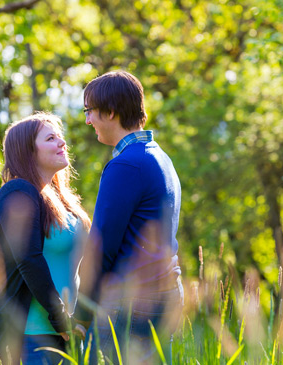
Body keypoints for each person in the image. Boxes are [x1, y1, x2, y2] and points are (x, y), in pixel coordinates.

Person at [76, 70, 183, 361]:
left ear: (110, 112)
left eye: (90, 111)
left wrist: (80, 315)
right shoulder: (159, 157)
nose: (87, 121)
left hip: (133, 303)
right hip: (165, 294)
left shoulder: (126, 166)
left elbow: (102, 248)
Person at [0, 112, 91, 365]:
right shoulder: (17, 191)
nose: (62, 143)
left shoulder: (63, 200)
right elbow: (29, 259)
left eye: (60, 137)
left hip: (68, 334)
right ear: (28, 152)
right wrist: (61, 319)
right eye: (51, 138)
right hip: (30, 337)